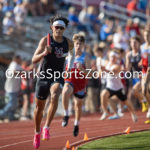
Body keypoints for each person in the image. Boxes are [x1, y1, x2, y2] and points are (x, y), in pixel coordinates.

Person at [32, 15, 75, 149]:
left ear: (65, 29)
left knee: (56, 94)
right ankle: (37, 132)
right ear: (52, 27)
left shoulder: (68, 43)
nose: (59, 30)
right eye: (57, 27)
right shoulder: (45, 40)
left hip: (58, 75)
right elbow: (34, 59)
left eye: (62, 28)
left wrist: (69, 68)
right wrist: (44, 53)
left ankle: (47, 127)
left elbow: (72, 55)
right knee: (39, 108)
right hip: (44, 75)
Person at [61, 33, 90, 137]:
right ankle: (66, 114)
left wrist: (82, 69)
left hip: (81, 83)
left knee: (78, 105)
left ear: (83, 45)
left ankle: (76, 124)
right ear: (73, 44)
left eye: (80, 44)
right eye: (76, 44)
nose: (78, 46)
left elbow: (90, 73)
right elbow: (63, 66)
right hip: (70, 80)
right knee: (65, 92)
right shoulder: (69, 55)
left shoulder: (85, 57)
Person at [100, 51, 137, 122]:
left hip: (118, 88)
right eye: (111, 57)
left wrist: (105, 70)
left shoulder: (118, 65)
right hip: (110, 87)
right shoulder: (107, 64)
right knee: (103, 94)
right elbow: (101, 72)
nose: (113, 58)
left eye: (114, 57)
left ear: (116, 58)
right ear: (109, 57)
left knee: (126, 102)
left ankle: (133, 113)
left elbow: (113, 72)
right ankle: (105, 112)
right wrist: (100, 71)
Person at [126, 36, 148, 112]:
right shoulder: (129, 54)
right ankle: (145, 102)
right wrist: (127, 71)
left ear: (139, 43)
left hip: (145, 74)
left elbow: (146, 64)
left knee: (137, 90)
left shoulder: (142, 52)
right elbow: (128, 68)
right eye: (132, 42)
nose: (133, 44)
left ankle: (145, 102)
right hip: (135, 76)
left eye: (135, 42)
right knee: (135, 92)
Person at [0, 55, 22, 121]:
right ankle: (1, 114)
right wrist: (22, 73)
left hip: (14, 88)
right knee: (11, 104)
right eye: (20, 59)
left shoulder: (17, 65)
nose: (21, 60)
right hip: (11, 88)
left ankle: (11, 117)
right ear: (16, 59)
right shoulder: (13, 64)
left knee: (14, 104)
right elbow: (13, 72)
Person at [140, 25, 150, 124]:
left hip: (149, 71)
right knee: (143, 91)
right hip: (144, 70)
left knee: (148, 88)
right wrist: (141, 61)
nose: (146, 37)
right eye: (145, 35)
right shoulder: (142, 46)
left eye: (148, 36)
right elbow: (143, 58)